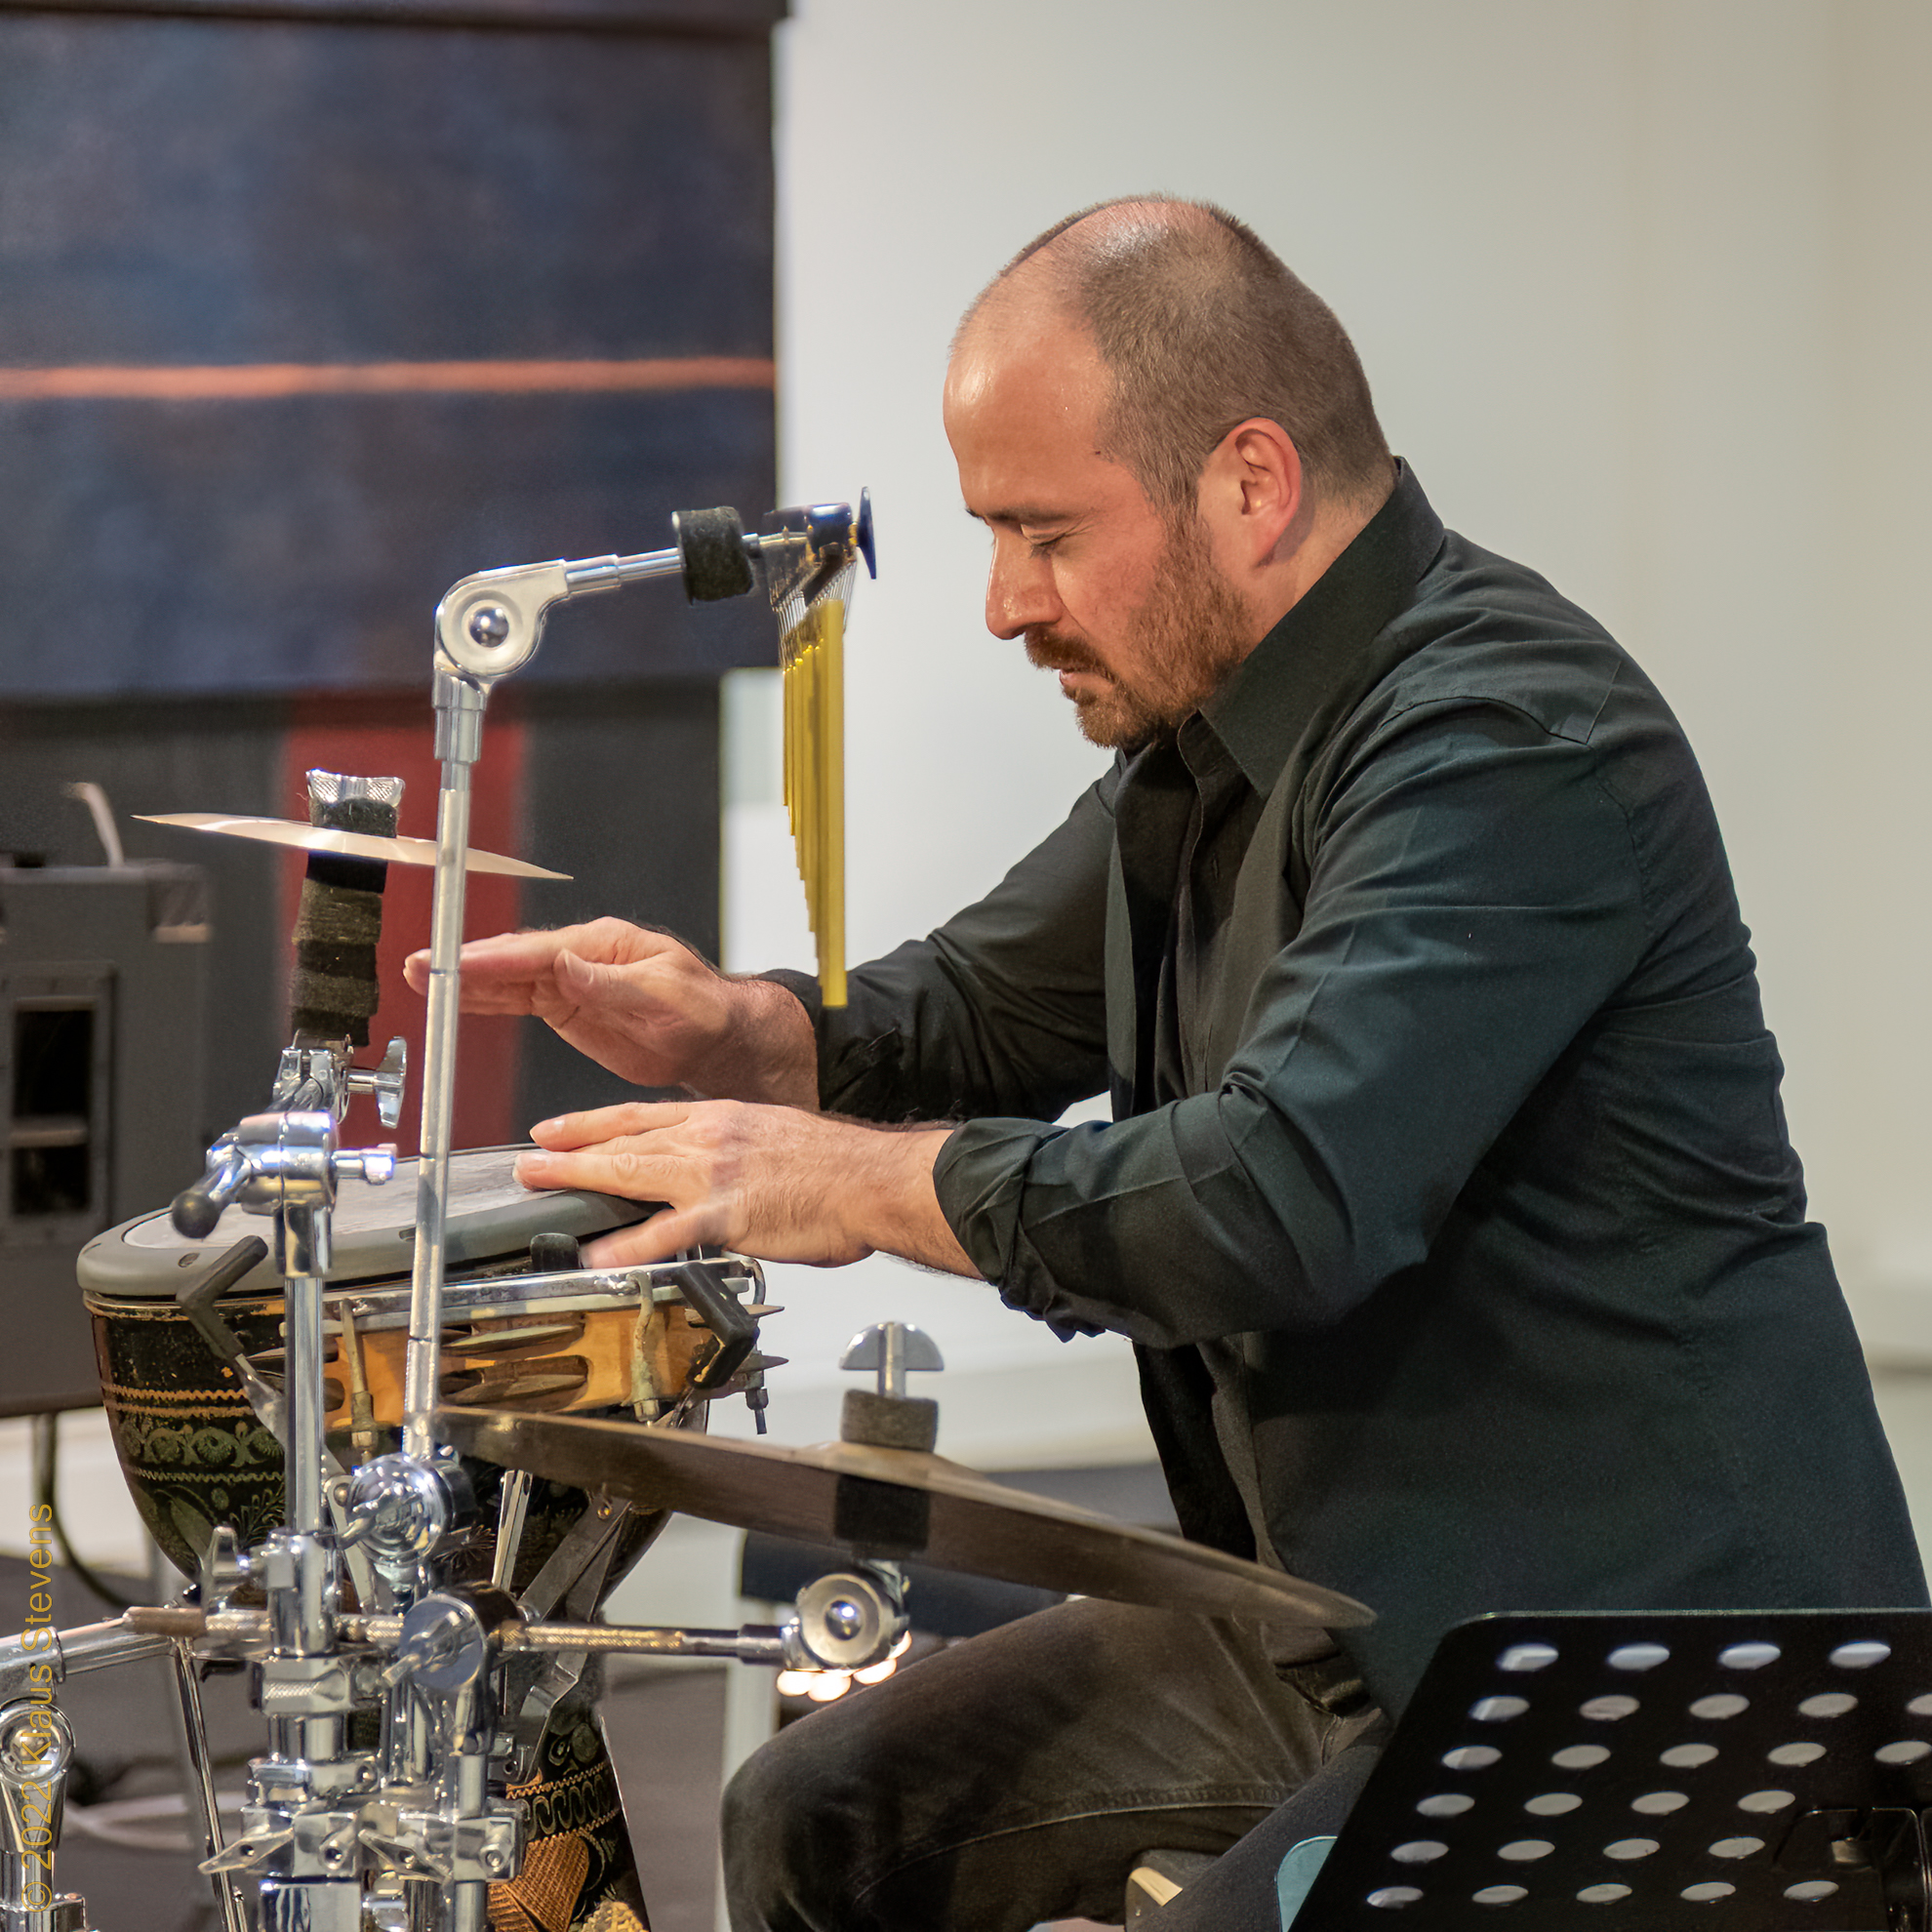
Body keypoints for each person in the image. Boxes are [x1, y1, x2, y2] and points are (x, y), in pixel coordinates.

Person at [409, 198, 1927, 1930]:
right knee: (825, 1812)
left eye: (1044, 535)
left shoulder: (1504, 739)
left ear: (1251, 482)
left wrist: (850, 1183)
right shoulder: (1206, 750)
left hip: (1652, 1676)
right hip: (1349, 1625)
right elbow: (978, 1009)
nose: (1003, 604)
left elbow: (1279, 1199)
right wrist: (754, 1037)